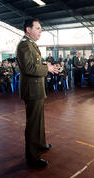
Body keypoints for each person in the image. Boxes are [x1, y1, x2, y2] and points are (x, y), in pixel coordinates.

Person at [16, 18, 57, 168]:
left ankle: (40, 145)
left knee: (39, 121)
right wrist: (48, 69)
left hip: (37, 89)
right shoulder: (25, 45)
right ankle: (32, 157)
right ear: (28, 29)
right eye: (38, 28)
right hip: (32, 90)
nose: (41, 31)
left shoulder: (31, 45)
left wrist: (45, 65)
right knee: (33, 124)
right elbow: (29, 68)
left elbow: (34, 64)